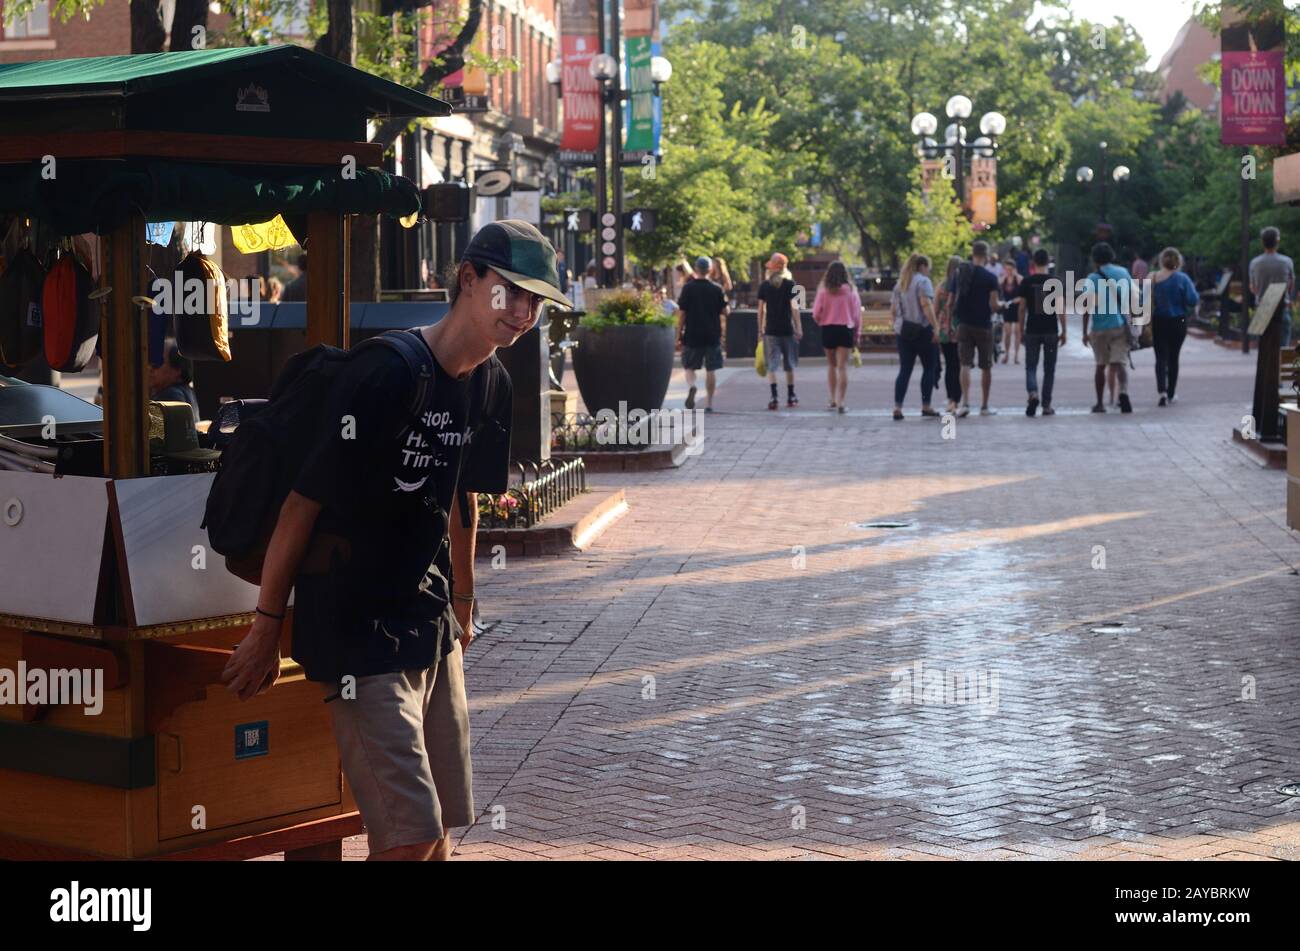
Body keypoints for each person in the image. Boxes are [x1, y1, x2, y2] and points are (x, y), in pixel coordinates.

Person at [220, 219, 569, 862]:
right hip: (356, 625)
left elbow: (461, 499)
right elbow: (300, 505)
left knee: (440, 830)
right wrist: (267, 627)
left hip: (429, 620)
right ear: (468, 279)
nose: (523, 312)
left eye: (537, 300)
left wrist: (464, 603)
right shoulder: (387, 373)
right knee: (412, 834)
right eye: (511, 291)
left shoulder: (491, 382)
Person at [1080, 241, 1135, 414]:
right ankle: (1123, 392)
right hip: (1120, 325)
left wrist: (1084, 331)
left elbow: (1087, 307)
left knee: (1101, 365)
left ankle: (1099, 403)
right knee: (1120, 363)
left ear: (1095, 259)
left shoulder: (1092, 278)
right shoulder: (1123, 272)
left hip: (1100, 328)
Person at [949, 240, 1002, 417]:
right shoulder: (990, 278)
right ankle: (984, 406)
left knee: (965, 364)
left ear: (972, 254)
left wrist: (951, 323)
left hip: (964, 324)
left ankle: (965, 403)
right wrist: (1002, 305)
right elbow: (994, 305)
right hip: (983, 325)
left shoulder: (960, 274)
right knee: (986, 366)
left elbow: (950, 302)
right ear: (986, 255)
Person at [890, 252, 940, 420]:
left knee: (905, 369)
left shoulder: (900, 284)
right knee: (929, 368)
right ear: (922, 266)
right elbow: (926, 305)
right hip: (923, 330)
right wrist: (935, 327)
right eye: (928, 268)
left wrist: (897, 326)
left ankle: (898, 407)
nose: (928, 271)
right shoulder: (923, 281)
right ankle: (926, 405)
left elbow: (893, 310)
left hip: (904, 331)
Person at [677, 255, 729, 413]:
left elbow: (682, 314)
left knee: (689, 366)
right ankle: (709, 404)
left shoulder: (688, 288)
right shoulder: (717, 288)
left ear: (696, 269)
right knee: (711, 369)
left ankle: (692, 386)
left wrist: (678, 334)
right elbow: (726, 311)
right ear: (710, 270)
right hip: (712, 334)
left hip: (692, 333)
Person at [1017, 249, 1065, 417]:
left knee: (1031, 366)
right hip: (1051, 330)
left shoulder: (1026, 281)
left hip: (1032, 330)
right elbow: (1060, 308)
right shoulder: (1055, 282)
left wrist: (1020, 329)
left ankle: (1033, 393)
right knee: (1049, 369)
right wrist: (1064, 330)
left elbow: (1022, 308)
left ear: (1033, 262)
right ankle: (1046, 405)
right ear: (1048, 262)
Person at [1151, 246, 1200, 407]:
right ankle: (1171, 393)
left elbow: (1142, 300)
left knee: (1160, 357)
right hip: (1179, 321)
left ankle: (1162, 392)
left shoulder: (1153, 277)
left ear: (1161, 261)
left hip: (1158, 321)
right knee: (1174, 357)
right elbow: (1193, 300)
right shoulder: (1182, 279)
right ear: (1178, 261)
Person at [811, 260, 861, 413]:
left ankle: (832, 399)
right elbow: (856, 315)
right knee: (842, 367)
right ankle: (841, 402)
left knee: (831, 365)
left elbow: (815, 313)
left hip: (828, 329)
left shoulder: (823, 291)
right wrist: (857, 334)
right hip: (845, 329)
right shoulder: (851, 291)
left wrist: (822, 321)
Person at [757, 252, 801, 410]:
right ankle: (791, 395)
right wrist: (799, 327)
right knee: (789, 364)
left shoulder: (764, 286)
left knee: (772, 365)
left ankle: (774, 396)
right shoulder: (791, 284)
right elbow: (795, 309)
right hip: (787, 329)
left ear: (771, 268)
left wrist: (760, 328)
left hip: (771, 330)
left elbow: (761, 310)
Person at [1249, 226, 1296, 348]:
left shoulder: (1255, 263)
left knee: (1264, 350)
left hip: (1262, 308)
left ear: (1262, 242)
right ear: (1277, 240)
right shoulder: (1287, 262)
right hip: (1281, 308)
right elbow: (1291, 285)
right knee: (1283, 349)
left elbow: (1253, 288)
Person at [934, 255, 964, 414]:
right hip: (959, 329)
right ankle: (957, 399)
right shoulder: (962, 286)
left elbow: (935, 309)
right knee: (959, 365)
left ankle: (951, 399)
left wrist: (936, 327)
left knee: (949, 365)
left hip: (944, 329)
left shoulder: (941, 286)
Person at [149, 339, 200, 424]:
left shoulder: (170, 396)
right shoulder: (186, 391)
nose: (150, 368)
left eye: (157, 363)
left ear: (177, 370)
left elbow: (155, 431)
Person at [998, 264, 1022, 365]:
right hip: (1007, 307)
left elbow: (1023, 294)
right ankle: (1007, 354)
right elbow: (997, 287)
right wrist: (1003, 277)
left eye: (1011, 269)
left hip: (1017, 308)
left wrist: (1016, 276)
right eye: (1007, 269)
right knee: (1007, 333)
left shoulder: (1019, 279)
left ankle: (1016, 355)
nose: (1009, 271)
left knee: (1017, 333)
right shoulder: (1003, 279)